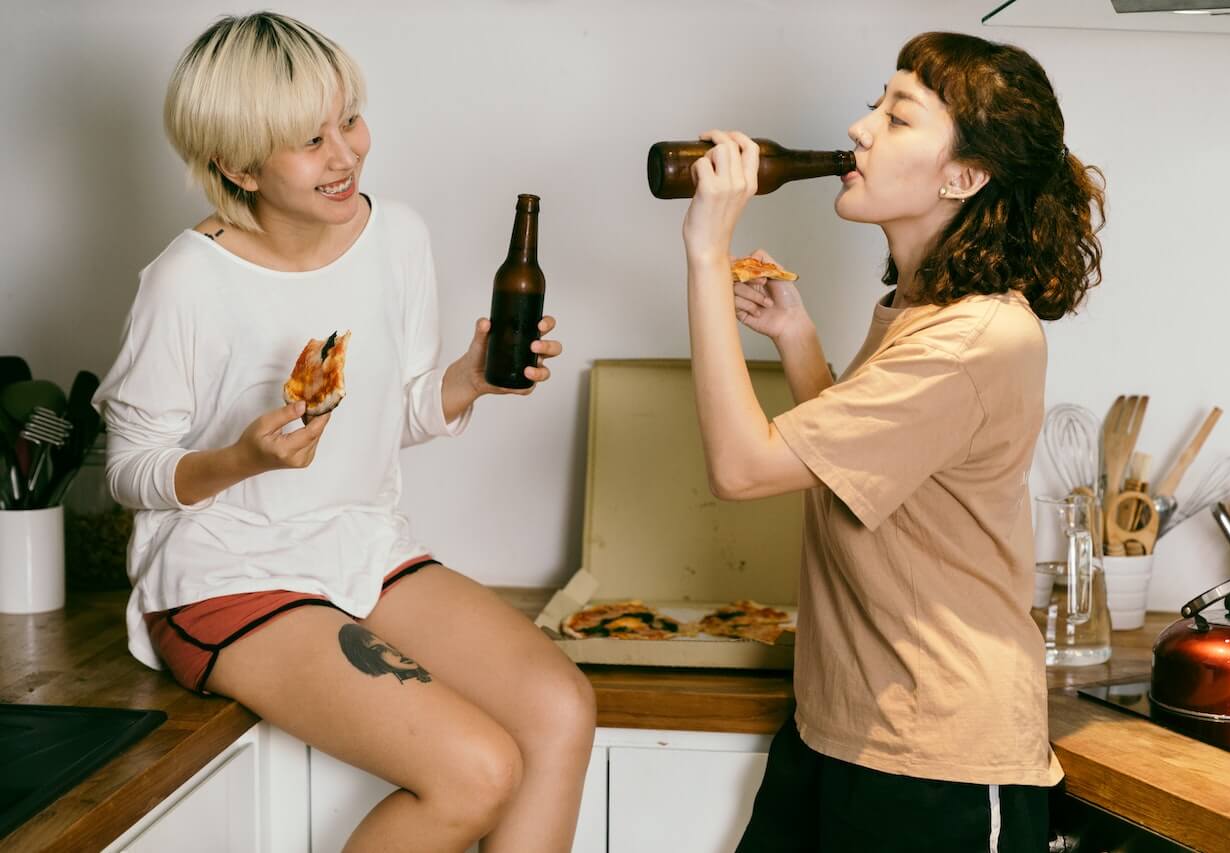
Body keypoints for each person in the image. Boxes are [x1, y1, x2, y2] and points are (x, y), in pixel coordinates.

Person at [93, 13, 594, 852]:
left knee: (561, 708)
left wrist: (465, 378)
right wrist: (239, 459)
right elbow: (129, 470)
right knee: (476, 769)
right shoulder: (186, 280)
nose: (345, 153)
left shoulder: (396, 235)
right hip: (225, 573)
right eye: (307, 139)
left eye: (349, 118)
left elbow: (395, 414)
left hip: (358, 546)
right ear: (235, 163)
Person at [678, 31, 1106, 852]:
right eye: (877, 103)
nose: (859, 127)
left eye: (897, 115)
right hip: (837, 727)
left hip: (935, 760)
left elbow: (741, 468)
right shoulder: (921, 314)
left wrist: (706, 253)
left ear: (965, 175)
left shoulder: (978, 337)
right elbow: (863, 476)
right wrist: (798, 340)